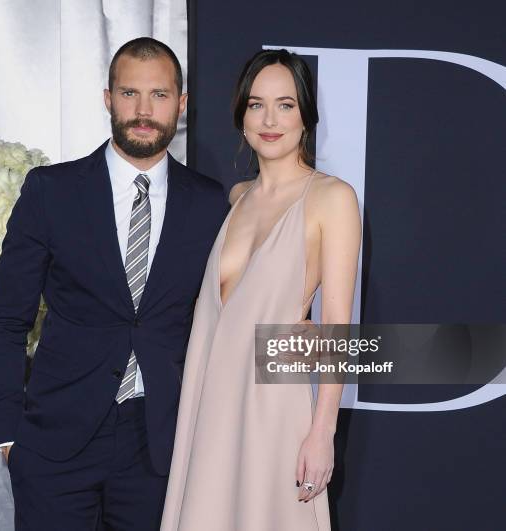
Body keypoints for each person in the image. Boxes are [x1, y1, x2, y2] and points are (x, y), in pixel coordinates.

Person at [0, 37, 229, 531]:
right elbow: (8, 318)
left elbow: (225, 318)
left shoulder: (209, 204)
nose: (143, 110)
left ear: (181, 105)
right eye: (129, 93)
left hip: (160, 443)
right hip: (55, 444)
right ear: (107, 98)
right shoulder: (51, 191)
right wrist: (9, 435)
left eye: (159, 95)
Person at [160, 49, 361, 530]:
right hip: (207, 404)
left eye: (286, 104)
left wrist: (322, 432)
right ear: (241, 115)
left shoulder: (332, 198)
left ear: (306, 116)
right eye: (256, 104)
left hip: (273, 413)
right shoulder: (236, 197)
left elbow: (337, 325)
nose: (270, 119)